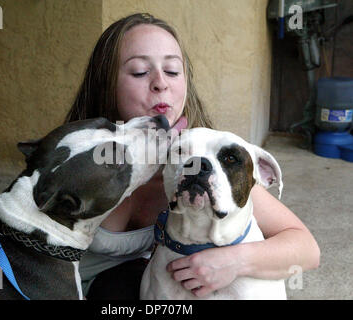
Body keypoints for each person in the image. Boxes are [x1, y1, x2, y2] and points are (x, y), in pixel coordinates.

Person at [65, 13, 320, 299]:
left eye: (173, 71)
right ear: (106, 84)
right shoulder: (75, 157)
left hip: (148, 286)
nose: (161, 83)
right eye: (139, 71)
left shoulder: (204, 160)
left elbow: (306, 249)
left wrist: (234, 261)